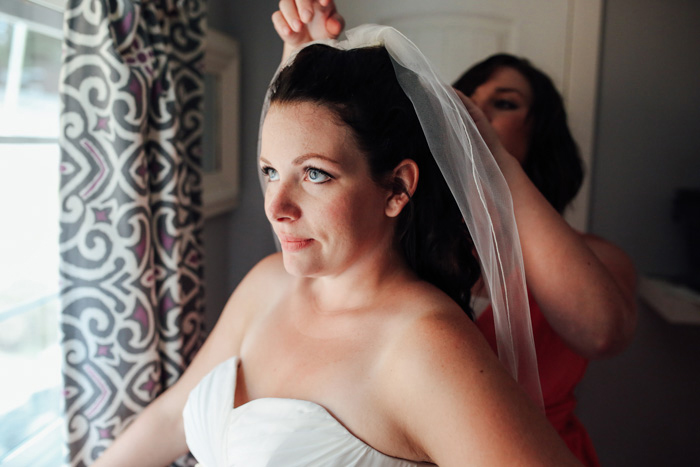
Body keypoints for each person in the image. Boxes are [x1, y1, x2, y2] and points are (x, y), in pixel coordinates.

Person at [91, 10, 582, 467]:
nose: (275, 207)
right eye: (270, 171)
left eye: (315, 175)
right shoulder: (267, 286)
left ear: (396, 188)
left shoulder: (425, 346)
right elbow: (167, 418)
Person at [274, 2, 637, 466]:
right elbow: (310, 246)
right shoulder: (409, 240)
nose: (473, 112)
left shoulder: (598, 257)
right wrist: (299, 59)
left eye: (504, 103)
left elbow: (602, 334)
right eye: (465, 98)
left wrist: (494, 159)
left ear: (541, 133)